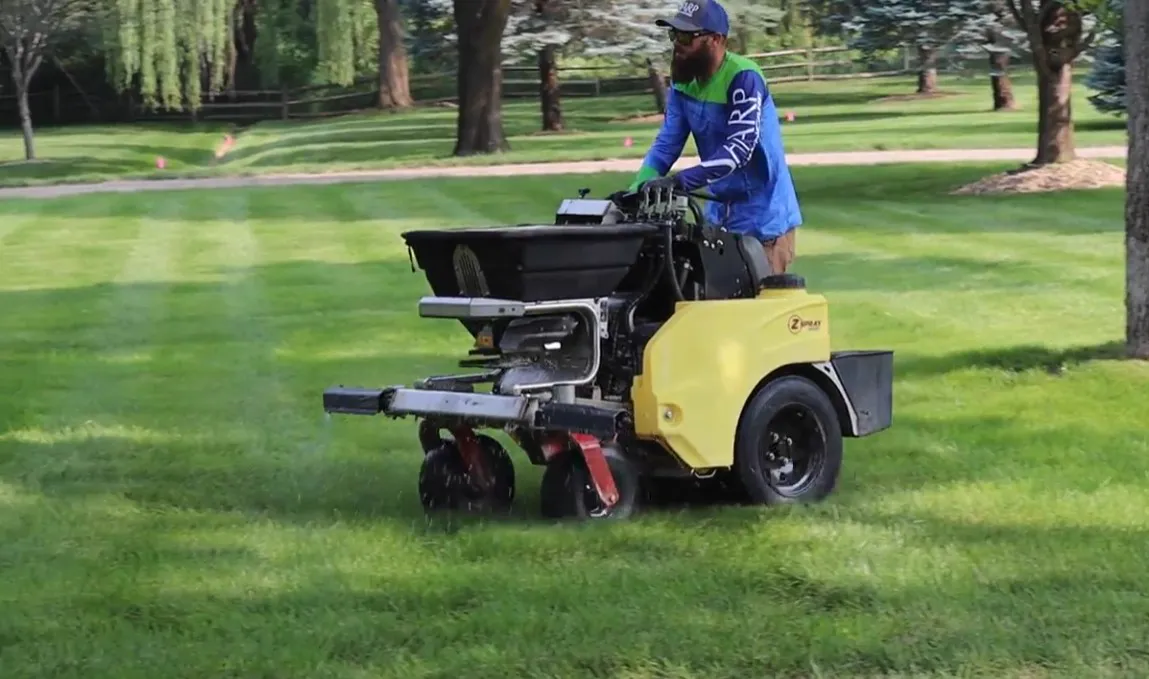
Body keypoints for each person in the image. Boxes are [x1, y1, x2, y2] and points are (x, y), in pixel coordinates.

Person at [628, 0, 803, 274]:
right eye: (674, 35)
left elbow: (739, 150)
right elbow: (667, 144)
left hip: (765, 220)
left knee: (754, 314)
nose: (677, 44)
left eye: (686, 36)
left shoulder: (744, 78)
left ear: (716, 40)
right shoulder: (684, 82)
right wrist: (637, 189)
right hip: (718, 217)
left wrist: (679, 181)